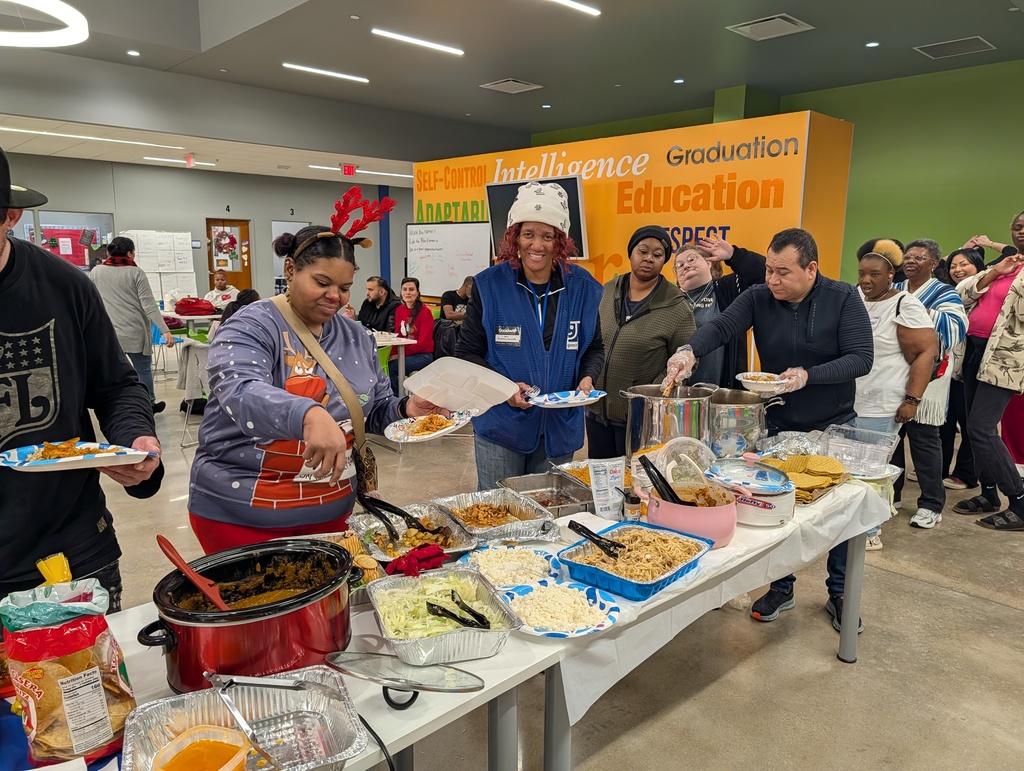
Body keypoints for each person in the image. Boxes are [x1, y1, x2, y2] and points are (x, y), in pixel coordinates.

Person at [187, 202, 447, 553]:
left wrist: (407, 408)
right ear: (290, 269)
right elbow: (240, 391)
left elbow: (371, 408)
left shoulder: (357, 336)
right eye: (322, 282)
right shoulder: (251, 325)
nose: (335, 297)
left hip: (332, 516)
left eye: (344, 287)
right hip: (243, 519)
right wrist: (307, 415)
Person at [666, 227, 873, 632]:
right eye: (768, 269)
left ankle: (841, 590)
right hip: (778, 422)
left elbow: (861, 358)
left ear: (811, 269)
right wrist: (689, 351)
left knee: (841, 515)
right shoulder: (760, 295)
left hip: (834, 423)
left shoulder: (843, 297)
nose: (772, 280)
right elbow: (723, 326)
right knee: (776, 510)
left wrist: (806, 376)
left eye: (782, 272)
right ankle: (782, 585)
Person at [0, 148, 163, 607]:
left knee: (84, 681)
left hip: (66, 557)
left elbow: (115, 384)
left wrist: (136, 437)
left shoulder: (63, 285)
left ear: (10, 216)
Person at [456, 180, 604, 490]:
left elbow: (594, 347)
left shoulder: (584, 289)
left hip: (559, 431)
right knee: (498, 514)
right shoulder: (489, 286)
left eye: (547, 236)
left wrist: (588, 378)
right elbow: (467, 354)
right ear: (515, 238)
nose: (537, 245)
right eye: (528, 234)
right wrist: (504, 388)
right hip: (501, 427)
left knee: (549, 514)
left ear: (559, 242)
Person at [853, 242, 942, 544]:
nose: (866, 280)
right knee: (853, 469)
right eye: (862, 273)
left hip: (882, 404)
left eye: (874, 274)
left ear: (891, 274)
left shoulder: (904, 303)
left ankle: (870, 532)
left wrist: (912, 400)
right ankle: (855, 525)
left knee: (872, 470)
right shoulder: (856, 299)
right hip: (852, 400)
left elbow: (926, 352)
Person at [586, 225, 695, 458]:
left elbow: (688, 361)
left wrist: (656, 393)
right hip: (596, 412)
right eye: (643, 251)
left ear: (664, 261)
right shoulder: (605, 292)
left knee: (635, 487)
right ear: (631, 253)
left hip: (641, 420)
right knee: (600, 482)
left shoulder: (676, 306)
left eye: (657, 255)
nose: (649, 259)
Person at [952, 212, 1024, 530]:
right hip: (974, 351)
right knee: (974, 428)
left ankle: (1020, 501)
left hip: (1005, 359)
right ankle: (988, 494)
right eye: (1017, 227)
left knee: (982, 428)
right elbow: (962, 294)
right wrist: (996, 271)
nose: (1021, 232)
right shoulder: (1005, 267)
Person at [90, 236, 176, 414]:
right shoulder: (136, 273)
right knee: (142, 370)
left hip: (110, 333)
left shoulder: (97, 272)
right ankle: (148, 404)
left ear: (109, 252)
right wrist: (165, 330)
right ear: (130, 253)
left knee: (113, 372)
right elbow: (149, 305)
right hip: (135, 331)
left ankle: (115, 405)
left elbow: (92, 301)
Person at [673, 237, 766, 387]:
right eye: (679, 265)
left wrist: (734, 255)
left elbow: (765, 274)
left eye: (691, 259)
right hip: (680, 393)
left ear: (708, 262)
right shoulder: (671, 300)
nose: (686, 266)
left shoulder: (729, 288)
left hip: (722, 394)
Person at [938, 247, 986, 489]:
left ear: (978, 266)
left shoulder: (984, 293)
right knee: (945, 421)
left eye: (964, 264)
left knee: (970, 424)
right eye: (954, 265)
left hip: (974, 365)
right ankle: (940, 468)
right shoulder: (946, 293)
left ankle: (967, 474)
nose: (957, 269)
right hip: (950, 367)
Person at [390, 276, 435, 394]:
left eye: (411, 289)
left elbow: (423, 343)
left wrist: (400, 354)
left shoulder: (425, 312)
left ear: (418, 292)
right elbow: (398, 336)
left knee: (393, 367)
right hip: (404, 352)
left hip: (423, 355)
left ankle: (396, 399)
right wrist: (393, 353)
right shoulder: (399, 310)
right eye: (404, 289)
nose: (408, 293)